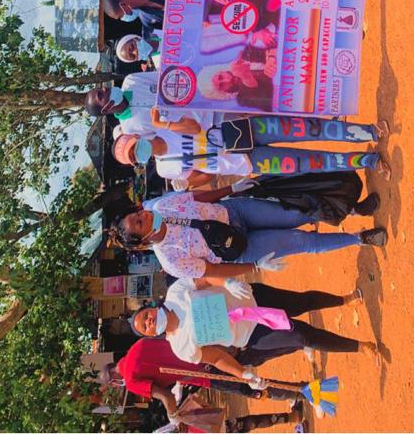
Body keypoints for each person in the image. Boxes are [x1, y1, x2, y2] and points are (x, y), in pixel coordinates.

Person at [127, 274, 379, 374]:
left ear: (151, 307)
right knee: (302, 336)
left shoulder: (175, 293)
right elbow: (216, 357)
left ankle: (344, 300)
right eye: (145, 326)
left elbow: (205, 279)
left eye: (146, 315)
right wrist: (242, 373)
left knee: (301, 302)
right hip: (252, 333)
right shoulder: (180, 348)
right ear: (151, 334)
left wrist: (227, 282)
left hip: (253, 298)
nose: (149, 320)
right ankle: (361, 346)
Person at [107, 190, 388, 279]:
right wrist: (255, 266)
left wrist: (232, 188)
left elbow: (198, 197)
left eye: (138, 215)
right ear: (143, 241)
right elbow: (213, 271)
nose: (145, 215)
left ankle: (353, 208)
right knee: (303, 241)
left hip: (236, 211)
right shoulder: (170, 260)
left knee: (298, 213)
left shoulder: (162, 206)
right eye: (140, 223)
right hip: (241, 248)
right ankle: (359, 239)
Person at [111, 115, 391, 184]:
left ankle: (368, 131)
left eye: (135, 147)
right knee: (310, 163)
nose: (140, 153)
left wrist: (165, 124)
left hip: (242, 131)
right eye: (135, 157)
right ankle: (367, 161)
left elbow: (193, 126)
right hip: (246, 163)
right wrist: (216, 171)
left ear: (136, 136)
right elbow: (200, 177)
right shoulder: (165, 169)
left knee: (307, 128)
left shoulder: (162, 123)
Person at [99, 345, 303, 409]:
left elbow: (166, 396)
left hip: (202, 374)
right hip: (202, 351)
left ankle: (300, 392)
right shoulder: (137, 346)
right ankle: (301, 341)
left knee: (249, 387)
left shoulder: (131, 381)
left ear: (114, 381)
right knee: (252, 357)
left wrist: (173, 416)